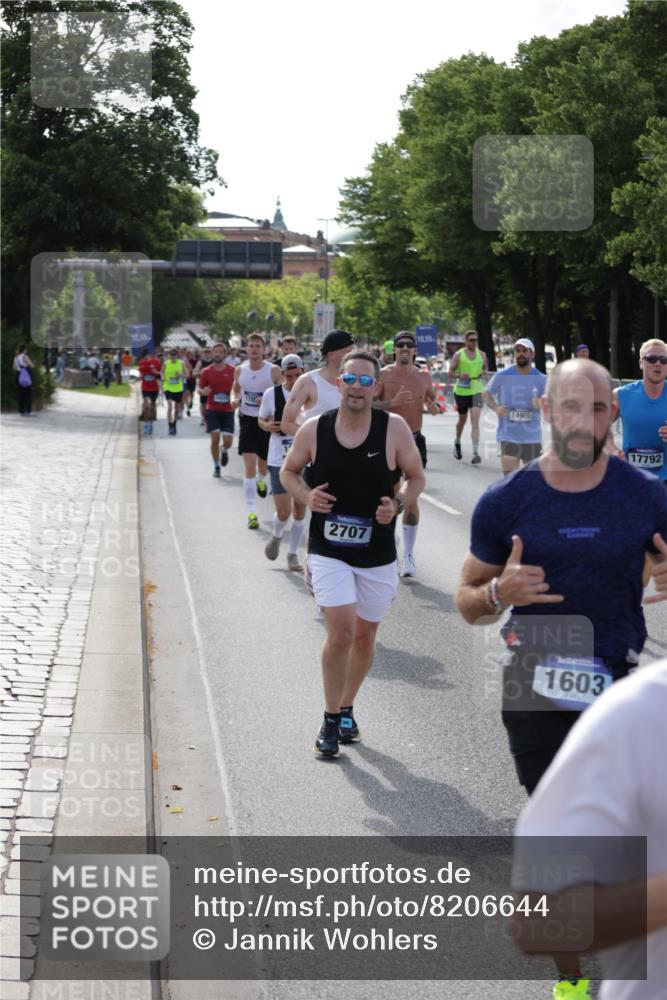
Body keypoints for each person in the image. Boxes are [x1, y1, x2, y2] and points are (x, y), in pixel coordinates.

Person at [455, 358, 667, 796]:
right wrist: (498, 591)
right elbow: (467, 602)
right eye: (570, 407)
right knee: (560, 820)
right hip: (532, 679)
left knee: (611, 824)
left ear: (612, 412)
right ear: (546, 408)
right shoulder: (506, 500)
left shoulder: (647, 495)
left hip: (615, 677)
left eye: (595, 409)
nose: (583, 422)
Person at [281, 349, 425, 758]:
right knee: (341, 631)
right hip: (328, 548)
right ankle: (329, 719)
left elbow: (415, 478)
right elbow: (288, 472)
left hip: (377, 551)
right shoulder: (314, 429)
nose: (357, 387)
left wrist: (396, 504)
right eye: (350, 379)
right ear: (338, 383)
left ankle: (347, 707)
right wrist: (307, 496)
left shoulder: (393, 429)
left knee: (365, 637)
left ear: (375, 387)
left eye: (366, 380)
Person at [514, 658, 667, 1000]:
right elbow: (539, 922)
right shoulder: (642, 710)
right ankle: (572, 980)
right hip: (546, 698)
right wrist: (494, 598)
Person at [375, 331, 438, 577]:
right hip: (387, 440)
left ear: (414, 351)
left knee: (411, 498)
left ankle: (409, 555)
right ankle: (390, 545)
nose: (403, 348)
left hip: (414, 439)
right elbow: (370, 404)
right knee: (390, 495)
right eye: (399, 345)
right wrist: (392, 403)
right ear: (394, 350)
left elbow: (433, 402)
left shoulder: (424, 376)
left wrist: (434, 406)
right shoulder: (384, 375)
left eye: (408, 345)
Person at [258, 353, 307, 570]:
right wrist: (269, 426)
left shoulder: (309, 395)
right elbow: (261, 419)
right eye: (290, 375)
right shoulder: (272, 394)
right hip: (279, 457)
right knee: (285, 511)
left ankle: (292, 554)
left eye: (298, 374)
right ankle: (277, 533)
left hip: (305, 457)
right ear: (283, 374)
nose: (294, 379)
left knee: (300, 510)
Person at [231, 333, 282, 529]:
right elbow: (235, 389)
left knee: (263, 465)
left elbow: (284, 392)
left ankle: (262, 480)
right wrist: (234, 399)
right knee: (249, 467)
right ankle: (251, 513)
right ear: (246, 349)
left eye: (257, 346)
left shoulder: (273, 371)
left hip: (267, 422)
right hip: (247, 421)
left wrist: (268, 401)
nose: (253, 349)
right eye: (250, 345)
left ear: (264, 349)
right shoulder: (239, 370)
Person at [483, 337, 547, 475]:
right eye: (517, 351)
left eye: (524, 351)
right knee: (509, 479)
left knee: (532, 482)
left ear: (532, 354)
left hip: (532, 437)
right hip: (508, 435)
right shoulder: (503, 375)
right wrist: (496, 408)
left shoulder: (541, 379)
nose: (520, 354)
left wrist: (541, 403)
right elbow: (486, 394)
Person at [607, 338, 667, 484]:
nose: (658, 363)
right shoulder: (621, 395)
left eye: (664, 359)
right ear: (641, 363)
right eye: (651, 359)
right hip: (631, 479)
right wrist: (613, 450)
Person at [280, 329, 355, 435]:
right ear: (332, 355)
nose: (355, 357)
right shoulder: (308, 382)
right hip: (314, 450)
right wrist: (320, 441)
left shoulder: (356, 383)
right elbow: (286, 424)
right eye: (349, 353)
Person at [450, 329, 488, 464]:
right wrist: (459, 375)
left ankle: (475, 452)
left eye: (475, 340)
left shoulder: (482, 355)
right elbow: (450, 373)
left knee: (475, 421)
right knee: (462, 420)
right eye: (471, 340)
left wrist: (484, 373)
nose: (474, 342)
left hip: (477, 390)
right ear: (465, 341)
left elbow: (485, 369)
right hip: (461, 391)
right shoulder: (458, 355)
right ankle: (457, 442)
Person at [198, 342, 235, 477]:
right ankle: (216, 466)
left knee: (228, 442)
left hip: (228, 410)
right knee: (214, 438)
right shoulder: (206, 371)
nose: (218, 354)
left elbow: (238, 388)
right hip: (212, 408)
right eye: (215, 351)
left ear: (225, 355)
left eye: (220, 351)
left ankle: (224, 450)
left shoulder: (232, 371)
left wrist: (236, 398)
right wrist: (203, 392)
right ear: (212, 354)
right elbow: (199, 388)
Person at [163, 347, 187, 435]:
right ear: (169, 355)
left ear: (177, 355)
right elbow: (161, 372)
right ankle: (170, 426)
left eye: (174, 355)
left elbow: (186, 374)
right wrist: (163, 377)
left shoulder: (181, 363)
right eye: (171, 355)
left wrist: (180, 374)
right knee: (170, 406)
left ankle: (174, 425)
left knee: (177, 408)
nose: (173, 356)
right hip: (168, 387)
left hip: (178, 388)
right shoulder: (166, 363)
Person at [138, 347, 162, 435]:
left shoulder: (156, 362)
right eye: (145, 357)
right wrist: (140, 376)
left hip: (154, 387)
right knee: (146, 405)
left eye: (147, 357)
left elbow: (161, 372)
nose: (146, 359)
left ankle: (150, 424)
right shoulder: (141, 363)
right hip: (145, 387)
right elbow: (141, 374)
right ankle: (146, 424)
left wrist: (156, 372)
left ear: (150, 356)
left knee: (152, 406)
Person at [194, 347, 214, 427]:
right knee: (203, 403)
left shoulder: (214, 362)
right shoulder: (200, 362)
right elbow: (194, 373)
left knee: (212, 403)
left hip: (213, 386)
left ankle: (211, 418)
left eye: (209, 352)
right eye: (205, 352)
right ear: (203, 353)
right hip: (203, 386)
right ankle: (203, 417)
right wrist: (201, 372)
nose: (207, 354)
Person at [14, 343, 35, 416]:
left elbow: (14, 367)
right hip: (25, 376)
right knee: (28, 394)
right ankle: (28, 411)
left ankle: (21, 411)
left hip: (18, 376)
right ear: (24, 350)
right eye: (26, 349)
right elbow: (32, 365)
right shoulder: (25, 356)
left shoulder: (16, 358)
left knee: (20, 394)